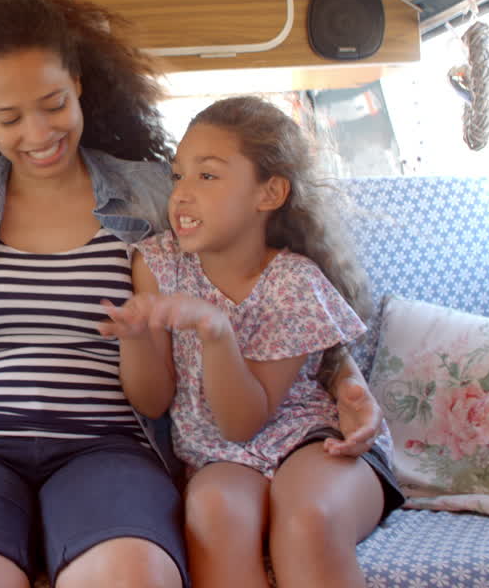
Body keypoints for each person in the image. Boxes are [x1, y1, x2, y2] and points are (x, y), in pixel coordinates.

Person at [0, 0, 384, 588]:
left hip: (109, 447)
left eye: (53, 104)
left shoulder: (156, 192)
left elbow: (266, 269)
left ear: (79, 84)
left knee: (132, 575)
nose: (38, 133)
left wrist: (343, 376)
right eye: (9, 118)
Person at [99, 95, 405, 588]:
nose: (182, 194)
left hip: (311, 442)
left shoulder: (293, 281)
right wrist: (136, 340)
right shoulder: (159, 263)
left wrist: (216, 332)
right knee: (213, 511)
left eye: (208, 175)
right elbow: (152, 401)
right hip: (218, 458)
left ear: (270, 193)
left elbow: (244, 421)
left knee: (307, 520)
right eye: (178, 176)